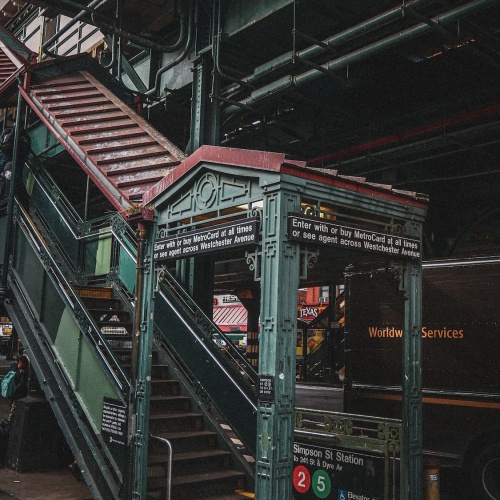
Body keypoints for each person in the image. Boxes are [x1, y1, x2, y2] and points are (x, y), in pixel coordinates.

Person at [8, 353, 30, 422]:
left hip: (13, 393)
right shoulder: (21, 371)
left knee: (13, 407)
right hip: (18, 394)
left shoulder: (14, 367)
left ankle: (10, 421)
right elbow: (22, 383)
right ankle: (11, 422)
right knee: (15, 408)